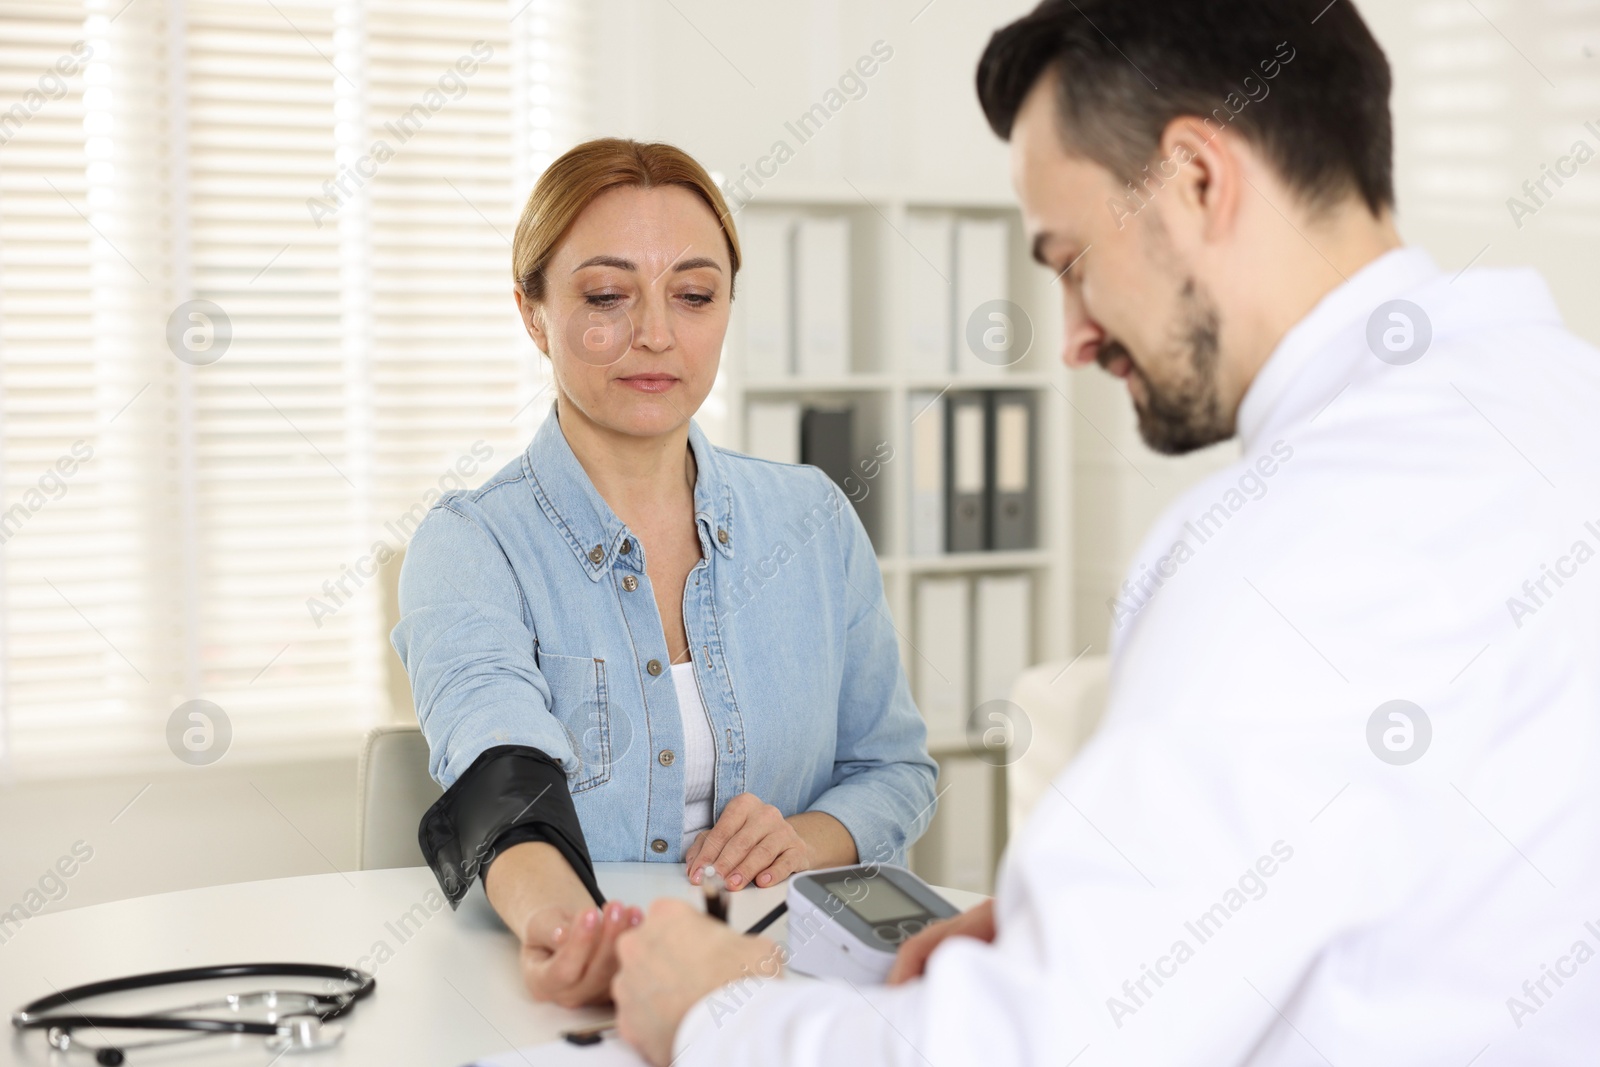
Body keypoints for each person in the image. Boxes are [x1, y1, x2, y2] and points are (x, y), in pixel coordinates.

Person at [608, 1, 1600, 1063]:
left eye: (1070, 258)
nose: (1075, 337)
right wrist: (1070, 940)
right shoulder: (1556, 398)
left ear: (1197, 180)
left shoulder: (1298, 537)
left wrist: (712, 1011)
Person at [391, 138, 937, 1009]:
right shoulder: (471, 544)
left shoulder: (814, 519)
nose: (654, 333)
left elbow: (896, 770)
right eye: (607, 295)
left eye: (693, 294)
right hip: (602, 985)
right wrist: (582, 936)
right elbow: (503, 783)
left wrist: (808, 835)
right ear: (534, 313)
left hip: (793, 987)